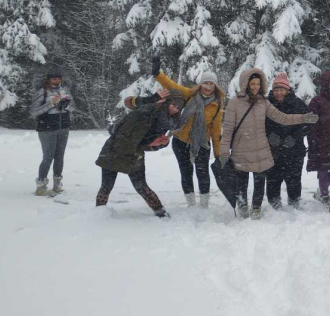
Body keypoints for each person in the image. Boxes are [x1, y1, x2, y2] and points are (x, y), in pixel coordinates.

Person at [218, 68, 319, 219]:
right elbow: (227, 131)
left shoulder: (263, 102)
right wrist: (224, 152)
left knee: (260, 182)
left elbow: (282, 117)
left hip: (262, 150)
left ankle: (257, 209)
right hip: (241, 150)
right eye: (252, 84)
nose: (255, 87)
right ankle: (243, 209)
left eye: (258, 84)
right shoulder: (234, 103)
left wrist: (303, 118)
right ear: (245, 83)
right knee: (241, 183)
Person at [95, 89, 187, 218]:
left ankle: (161, 213)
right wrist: (150, 144)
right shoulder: (146, 112)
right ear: (167, 102)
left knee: (142, 187)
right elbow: (126, 138)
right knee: (106, 186)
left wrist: (160, 144)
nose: (175, 109)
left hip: (134, 155)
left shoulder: (166, 121)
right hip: (114, 150)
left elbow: (144, 144)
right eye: (174, 105)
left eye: (179, 108)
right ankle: (98, 214)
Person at [152, 58, 225, 208]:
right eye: (206, 83)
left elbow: (216, 131)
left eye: (211, 83)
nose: (208, 86)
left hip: (202, 144)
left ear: (215, 86)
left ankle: (204, 206)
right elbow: (172, 86)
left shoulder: (216, 105)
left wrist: (219, 154)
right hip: (180, 141)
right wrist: (158, 74)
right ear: (201, 84)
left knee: (202, 174)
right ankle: (191, 205)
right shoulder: (190, 95)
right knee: (186, 173)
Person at [265, 73, 310, 208]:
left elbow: (308, 124)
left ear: (287, 90)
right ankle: (274, 204)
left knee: (294, 179)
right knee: (273, 179)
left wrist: (295, 137)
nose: (279, 93)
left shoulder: (298, 103)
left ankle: (294, 203)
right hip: (273, 150)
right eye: (276, 90)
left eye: (282, 90)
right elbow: (260, 123)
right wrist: (269, 135)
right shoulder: (267, 104)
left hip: (294, 151)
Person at [30, 68, 74, 196]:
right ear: (48, 79)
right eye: (54, 78)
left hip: (63, 127)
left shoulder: (65, 91)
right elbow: (34, 111)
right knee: (48, 157)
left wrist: (65, 105)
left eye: (59, 78)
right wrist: (51, 104)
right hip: (47, 129)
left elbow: (73, 107)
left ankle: (57, 185)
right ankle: (41, 186)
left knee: (60, 157)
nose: (56, 80)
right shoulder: (42, 92)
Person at [306, 71, 330, 206]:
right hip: (321, 141)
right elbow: (310, 122)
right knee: (323, 168)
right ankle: (324, 194)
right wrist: (313, 139)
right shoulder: (316, 101)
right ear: (326, 84)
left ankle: (321, 189)